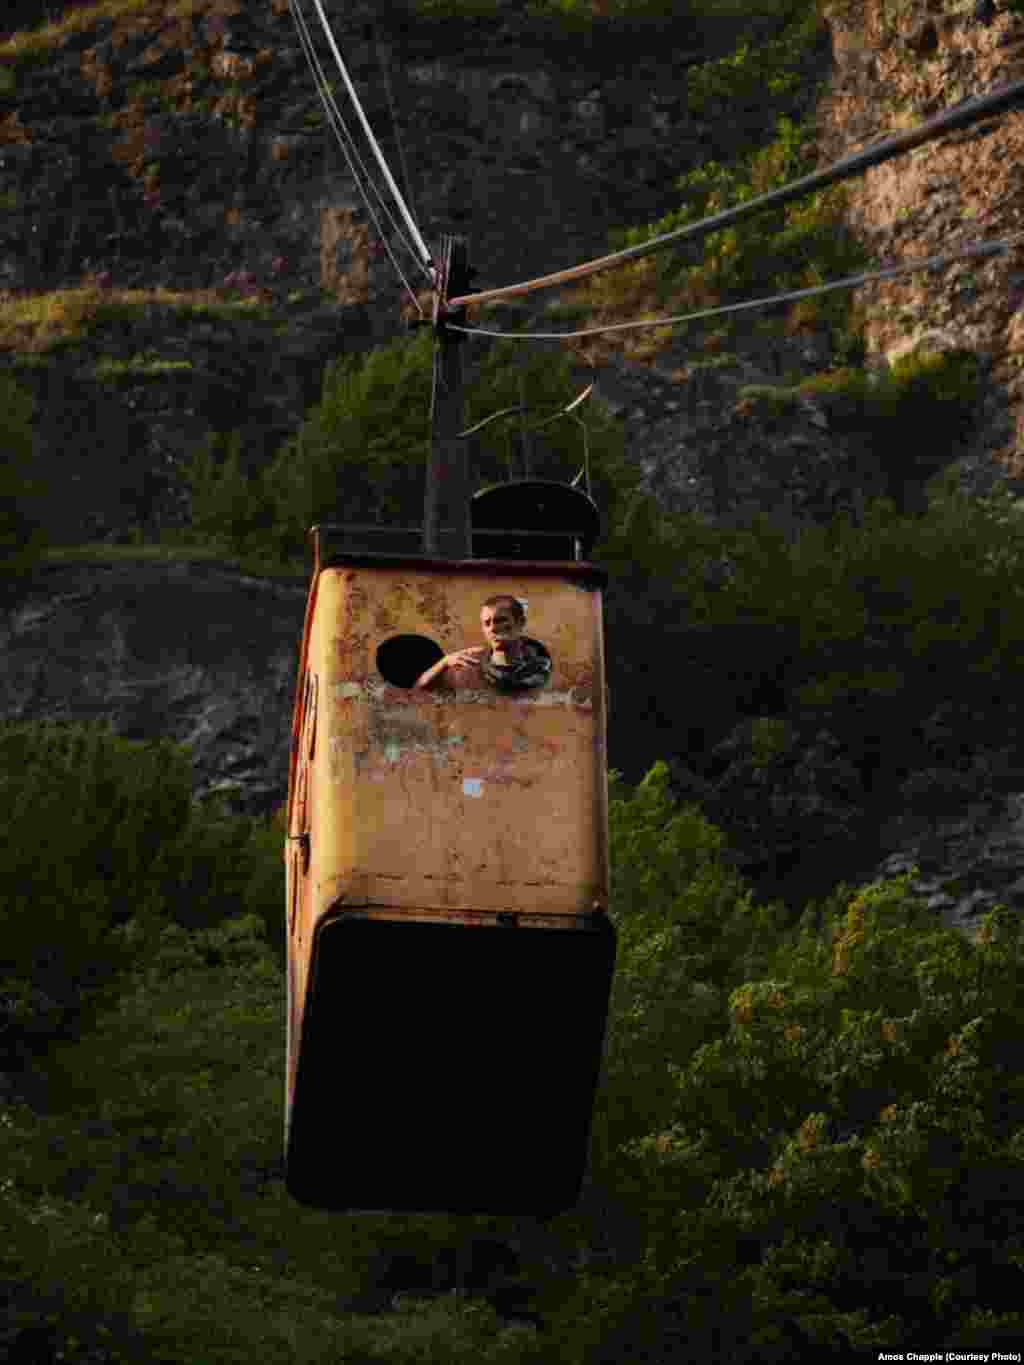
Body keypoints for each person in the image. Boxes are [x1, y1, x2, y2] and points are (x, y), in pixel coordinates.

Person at [414, 595, 552, 692]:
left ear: (520, 623)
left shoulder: (540, 665)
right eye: (487, 623)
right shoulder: (473, 662)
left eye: (500, 620)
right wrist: (444, 662)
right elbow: (420, 686)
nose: (492, 628)